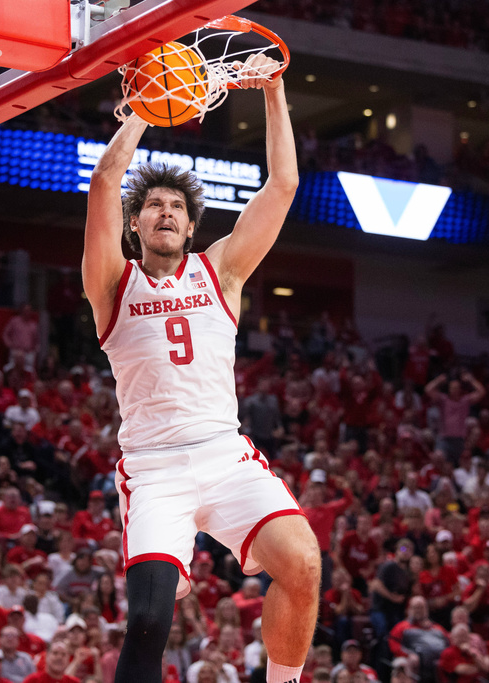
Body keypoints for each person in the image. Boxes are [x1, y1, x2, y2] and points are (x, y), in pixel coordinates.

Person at [82, 51, 319, 683]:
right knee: (150, 620)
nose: (166, 212)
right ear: (135, 225)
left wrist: (273, 91)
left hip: (225, 455)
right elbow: (105, 183)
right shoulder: (112, 283)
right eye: (154, 205)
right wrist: (143, 109)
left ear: (191, 225)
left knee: (302, 564)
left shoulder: (223, 271)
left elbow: (284, 186)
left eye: (177, 208)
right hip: (155, 469)